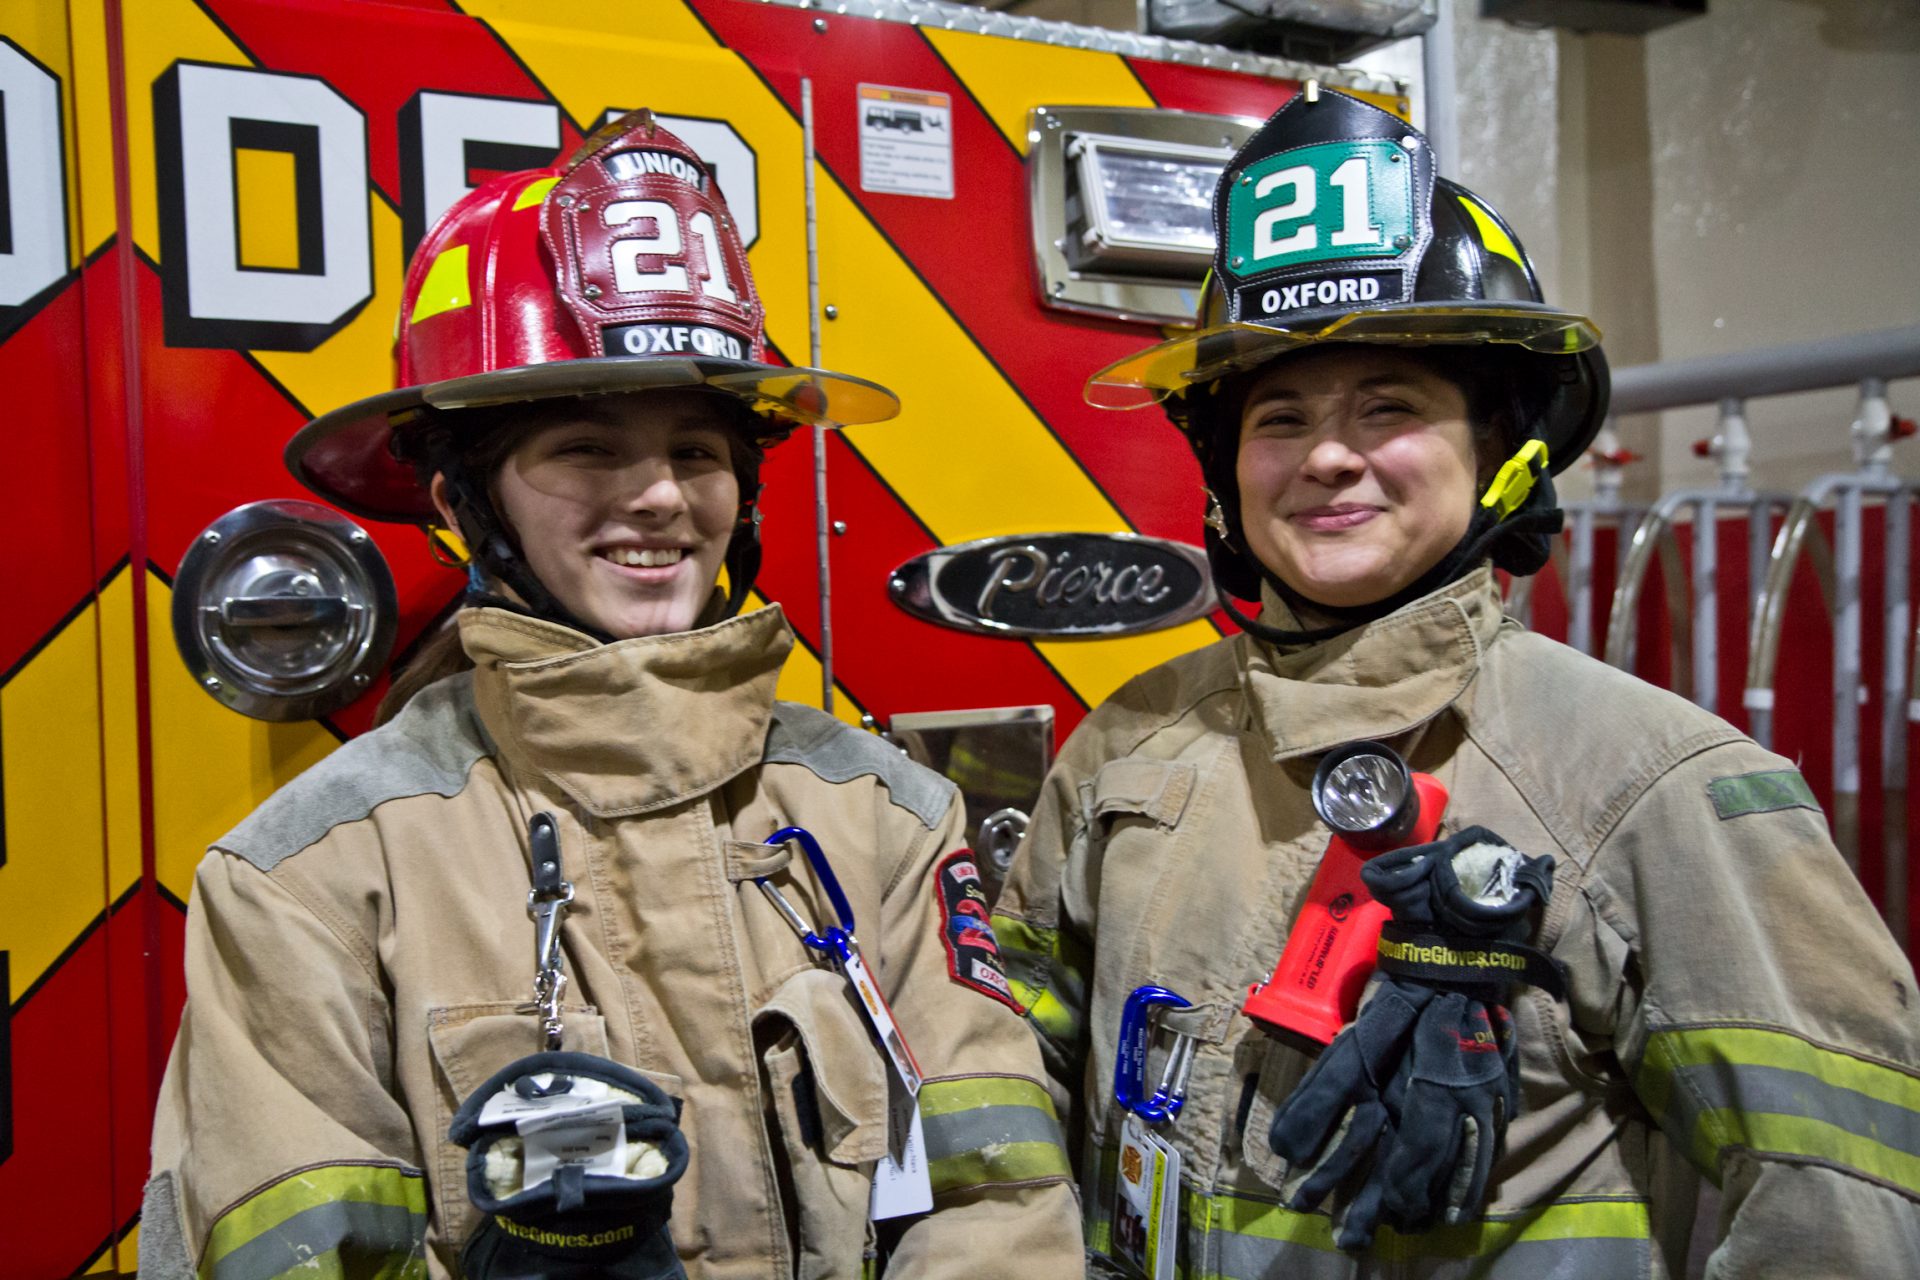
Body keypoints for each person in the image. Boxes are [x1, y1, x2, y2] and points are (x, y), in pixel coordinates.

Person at [995, 88, 1920, 1278]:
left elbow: (1840, 1206)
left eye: (1390, 406)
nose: (1329, 454)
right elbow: (1011, 1069)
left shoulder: (1661, 783)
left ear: (1499, 450)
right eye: (1280, 415)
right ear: (1225, 471)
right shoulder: (1129, 744)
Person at [140, 113, 1081, 1280]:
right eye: (586, 449)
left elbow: (999, 1207)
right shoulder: (306, 877)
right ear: (463, 501)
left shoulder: (883, 817)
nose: (659, 499)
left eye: (697, 450)